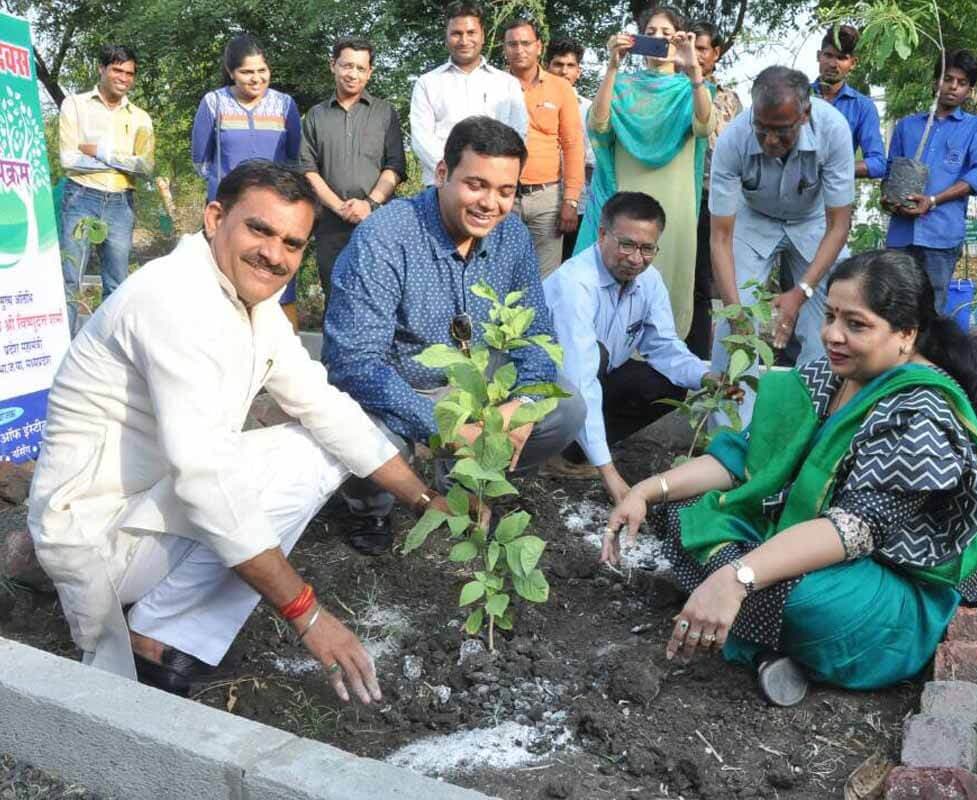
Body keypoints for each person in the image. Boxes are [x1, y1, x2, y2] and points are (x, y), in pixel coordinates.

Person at [28, 162, 451, 703]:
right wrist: (309, 614)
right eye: (260, 230)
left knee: (323, 440)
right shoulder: (174, 300)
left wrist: (424, 499)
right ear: (214, 218)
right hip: (94, 538)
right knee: (288, 463)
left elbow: (325, 407)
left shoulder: (251, 303)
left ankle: (164, 610)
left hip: (138, 514)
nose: (275, 254)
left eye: (293, 243)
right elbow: (206, 479)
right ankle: (159, 637)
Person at [602, 249, 977, 704]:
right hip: (804, 536)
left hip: (879, 582)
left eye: (856, 324)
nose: (833, 335)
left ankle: (746, 622)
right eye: (831, 316)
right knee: (681, 511)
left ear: (906, 335)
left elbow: (854, 530)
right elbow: (743, 458)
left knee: (800, 600)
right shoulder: (830, 376)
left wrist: (737, 577)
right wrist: (645, 490)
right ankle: (759, 641)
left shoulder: (920, 414)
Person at [324, 116, 586, 556]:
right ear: (443, 174)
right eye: (476, 185)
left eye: (506, 191)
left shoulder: (512, 237)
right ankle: (367, 507)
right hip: (398, 385)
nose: (491, 204)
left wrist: (516, 409)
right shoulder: (385, 236)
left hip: (475, 383)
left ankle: (469, 481)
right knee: (364, 434)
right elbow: (355, 364)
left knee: (564, 406)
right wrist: (446, 427)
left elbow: (536, 333)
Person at [543, 192, 716, 502]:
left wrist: (708, 376)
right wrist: (610, 474)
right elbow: (579, 380)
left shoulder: (649, 281)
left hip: (593, 377)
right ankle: (555, 446)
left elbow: (664, 347)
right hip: (547, 391)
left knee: (666, 384)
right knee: (596, 358)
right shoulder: (576, 285)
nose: (636, 259)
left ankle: (574, 452)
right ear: (602, 235)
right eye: (627, 245)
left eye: (647, 248)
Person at [708, 66, 854, 424]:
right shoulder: (733, 140)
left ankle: (811, 425)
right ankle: (727, 436)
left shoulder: (833, 130)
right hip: (753, 220)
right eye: (763, 128)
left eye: (782, 131)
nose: (770, 141)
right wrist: (736, 312)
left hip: (814, 221)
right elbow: (720, 237)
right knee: (734, 320)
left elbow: (839, 225)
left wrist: (801, 291)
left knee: (829, 317)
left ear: (804, 116)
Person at [577, 5, 716, 341]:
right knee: (622, 272)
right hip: (628, 199)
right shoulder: (623, 86)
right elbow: (598, 125)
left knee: (667, 277)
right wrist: (612, 67)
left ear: (682, 40)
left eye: (666, 35)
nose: (657, 40)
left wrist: (693, 69)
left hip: (676, 204)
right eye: (649, 33)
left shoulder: (690, 90)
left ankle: (662, 357)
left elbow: (705, 124)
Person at [191, 34, 303, 327]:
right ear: (231, 72)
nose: (256, 79)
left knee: (279, 286)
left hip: (276, 216)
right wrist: (229, 194)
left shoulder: (285, 105)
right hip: (230, 214)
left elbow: (294, 159)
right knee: (223, 286)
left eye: (262, 70)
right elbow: (200, 161)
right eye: (246, 72)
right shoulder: (214, 103)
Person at [883, 49, 977, 312]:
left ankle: (928, 355)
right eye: (948, 79)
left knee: (932, 312)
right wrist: (889, 199)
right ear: (936, 81)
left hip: (941, 237)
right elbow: (891, 173)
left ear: (970, 91)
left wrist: (933, 200)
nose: (953, 87)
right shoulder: (907, 126)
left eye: (962, 82)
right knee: (894, 308)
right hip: (901, 235)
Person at [299, 38, 407, 301]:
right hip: (331, 225)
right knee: (335, 297)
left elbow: (395, 166)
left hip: (378, 223)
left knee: (379, 297)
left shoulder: (385, 113)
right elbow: (307, 169)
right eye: (347, 66)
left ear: (369, 72)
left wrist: (369, 205)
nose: (353, 74)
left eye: (360, 68)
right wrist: (339, 207)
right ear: (333, 66)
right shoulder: (315, 115)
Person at [57, 44, 154, 334]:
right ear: (102, 69)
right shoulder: (75, 105)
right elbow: (69, 160)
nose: (123, 77)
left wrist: (100, 152)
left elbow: (147, 167)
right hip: (80, 197)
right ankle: (63, 352)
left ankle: (102, 356)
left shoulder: (141, 118)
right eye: (117, 70)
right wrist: (125, 163)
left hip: (120, 204)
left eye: (129, 73)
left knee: (117, 284)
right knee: (70, 278)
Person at [409, 2, 528, 187]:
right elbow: (421, 138)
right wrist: (455, 172)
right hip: (443, 183)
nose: (464, 41)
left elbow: (518, 134)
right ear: (446, 37)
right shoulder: (427, 83)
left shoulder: (507, 84)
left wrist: (488, 173)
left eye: (471, 33)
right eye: (456, 33)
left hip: (494, 184)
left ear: (483, 36)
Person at [503, 19, 585, 277]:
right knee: (500, 274)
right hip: (502, 196)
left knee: (546, 281)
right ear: (504, 49)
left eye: (526, 43)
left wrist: (570, 200)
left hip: (547, 197)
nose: (519, 50)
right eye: (512, 44)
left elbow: (573, 145)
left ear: (539, 47)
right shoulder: (494, 86)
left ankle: (540, 320)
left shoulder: (561, 88)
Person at [688, 21, 743, 359]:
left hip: (713, 199)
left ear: (716, 54)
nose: (695, 56)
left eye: (702, 49)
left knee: (704, 283)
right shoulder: (673, 91)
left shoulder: (729, 99)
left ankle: (700, 355)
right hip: (678, 197)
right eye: (690, 48)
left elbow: (738, 151)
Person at [813, 24, 886, 180]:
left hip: (834, 197)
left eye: (841, 58)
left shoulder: (862, 107)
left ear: (853, 63)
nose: (833, 64)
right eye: (828, 55)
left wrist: (831, 169)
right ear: (819, 56)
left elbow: (878, 163)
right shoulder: (797, 96)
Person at [546, 37, 595, 262]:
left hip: (580, 204)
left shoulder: (589, 110)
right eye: (558, 64)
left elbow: (592, 161)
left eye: (570, 66)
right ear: (547, 68)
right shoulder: (531, 103)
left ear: (579, 71)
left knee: (571, 266)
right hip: (537, 200)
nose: (564, 71)